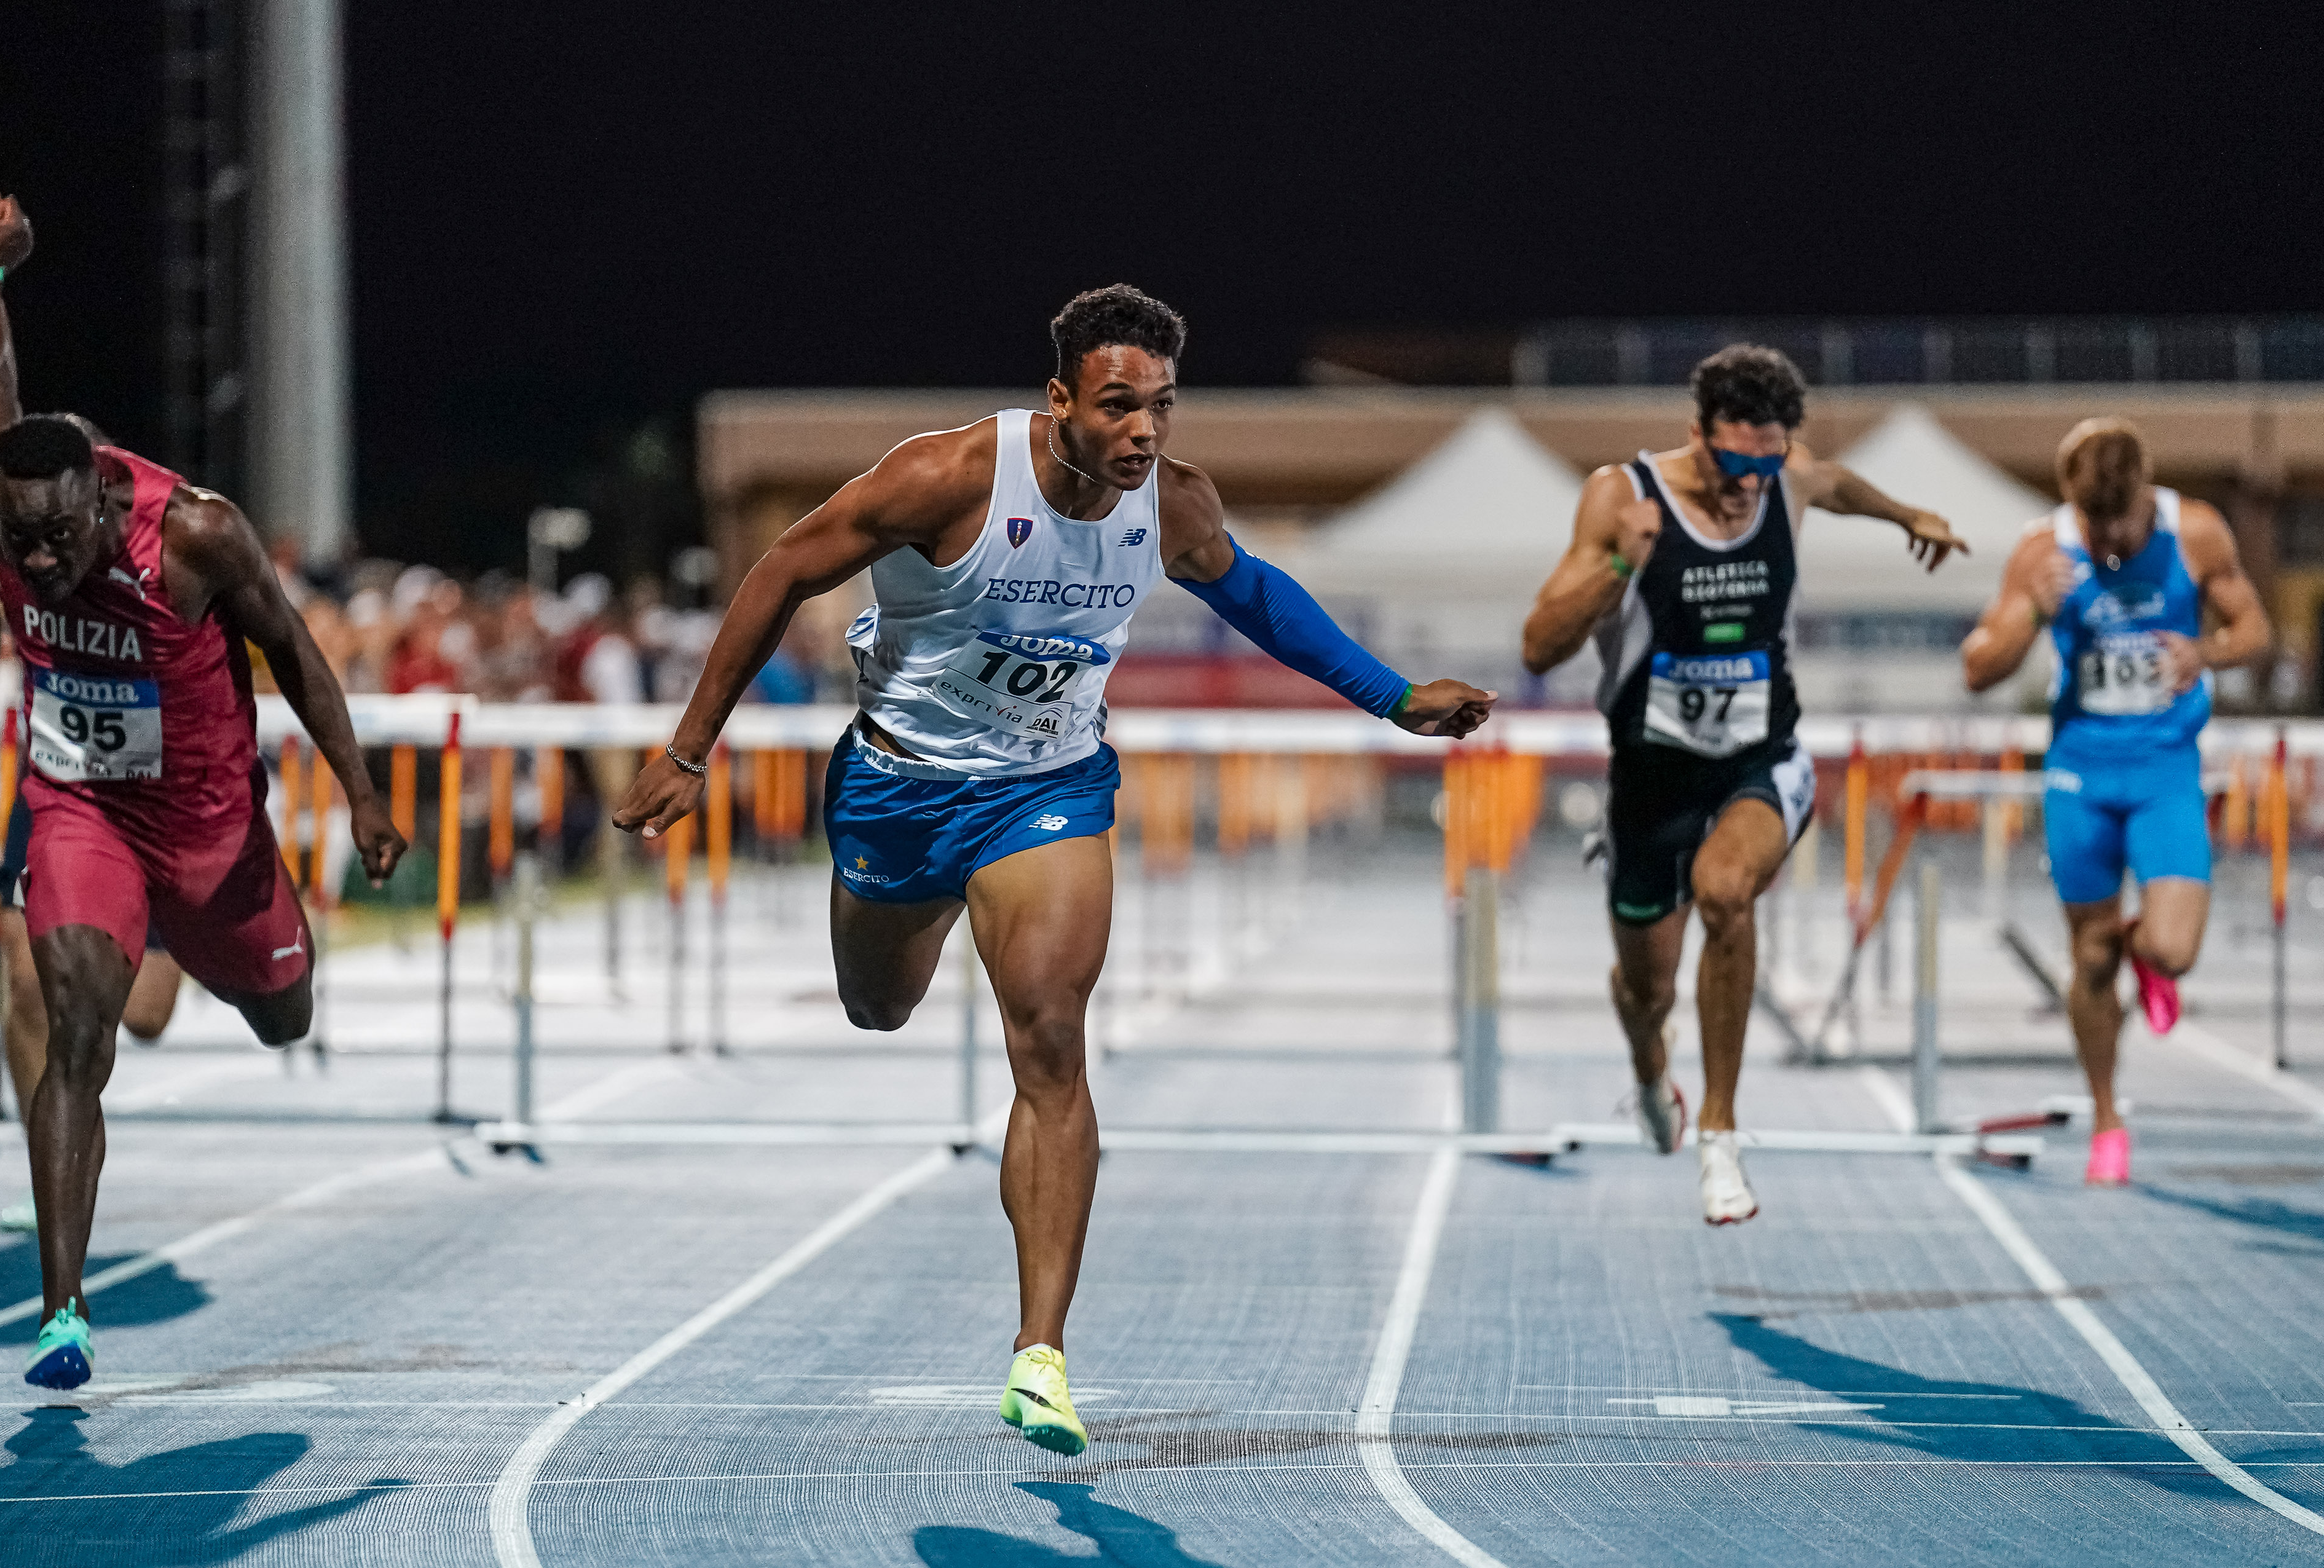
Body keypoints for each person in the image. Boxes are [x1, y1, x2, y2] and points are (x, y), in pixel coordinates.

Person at [611, 285, 1492, 1454]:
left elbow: (1256, 596)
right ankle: (900, 909)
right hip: (901, 786)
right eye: (1119, 406)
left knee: (1052, 1043)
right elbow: (780, 570)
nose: (1144, 431)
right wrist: (688, 749)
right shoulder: (949, 477)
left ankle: (1041, 1354)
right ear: (1061, 398)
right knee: (877, 1006)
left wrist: (1393, 696)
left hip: (1047, 788)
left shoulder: (1171, 503)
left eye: (1162, 407)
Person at [0, 191, 405, 1390]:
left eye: (57, 541)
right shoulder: (3, 496)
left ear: (104, 500)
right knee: (77, 1030)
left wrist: (361, 792)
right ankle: (63, 1313)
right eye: (19, 543)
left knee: (284, 1015)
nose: (36, 564)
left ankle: (226, 953)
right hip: (81, 808)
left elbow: (293, 649)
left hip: (212, 830)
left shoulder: (195, 535)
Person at [1522, 345, 1965, 1224]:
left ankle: (1720, 1139)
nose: (1750, 485)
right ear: (1698, 435)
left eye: (1769, 463)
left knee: (1726, 891)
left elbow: (1833, 483)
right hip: (1651, 776)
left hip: (1761, 757)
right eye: (1735, 465)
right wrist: (1620, 567)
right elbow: (1539, 647)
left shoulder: (1783, 477)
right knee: (1646, 991)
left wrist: (1905, 513)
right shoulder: (1622, 496)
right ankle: (1651, 1075)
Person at [1960, 419, 2270, 1186]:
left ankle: (2144, 950)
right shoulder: (2043, 549)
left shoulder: (2194, 532)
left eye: (2121, 528)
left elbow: (2254, 629)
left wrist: (2205, 652)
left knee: (2173, 950)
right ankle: (2107, 1121)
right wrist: (2031, 614)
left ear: (2145, 494)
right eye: (2093, 527)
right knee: (2089, 962)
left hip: (2165, 770)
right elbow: (1977, 669)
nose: (2107, 543)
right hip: (2080, 777)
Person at [0, 542, 186, 1233]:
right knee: (25, 980)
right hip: (54, 789)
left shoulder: (165, 551)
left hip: (152, 797)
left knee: (147, 1015)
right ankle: (47, 1174)